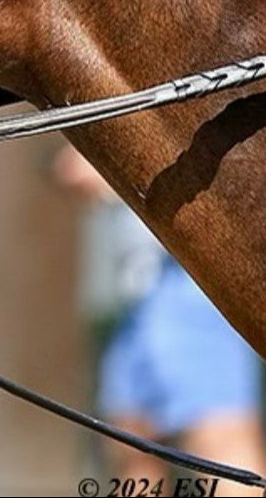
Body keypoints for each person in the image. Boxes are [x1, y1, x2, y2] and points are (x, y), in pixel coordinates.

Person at [54, 143, 266, 497]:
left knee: (225, 450)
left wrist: (115, 171)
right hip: (135, 302)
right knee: (130, 446)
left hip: (194, 288)